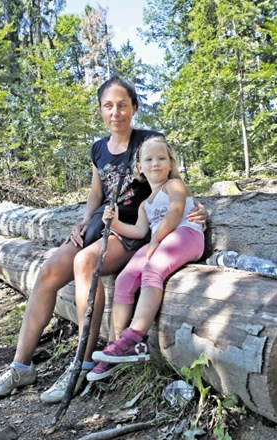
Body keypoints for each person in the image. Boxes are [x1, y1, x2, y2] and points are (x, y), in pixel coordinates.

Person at [0, 76, 207, 403]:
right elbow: (95, 193)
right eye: (108, 106)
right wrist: (84, 221)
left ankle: (81, 364)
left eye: (123, 105)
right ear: (101, 110)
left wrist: (199, 210)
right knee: (47, 273)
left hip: (130, 232)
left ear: (134, 108)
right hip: (99, 225)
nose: (116, 112)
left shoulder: (147, 142)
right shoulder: (98, 149)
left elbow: (172, 182)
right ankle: (21, 366)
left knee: (85, 263)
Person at [85, 136, 205, 381]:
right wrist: (115, 222)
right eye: (148, 159)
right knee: (124, 280)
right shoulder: (144, 204)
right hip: (161, 241)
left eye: (162, 158)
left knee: (152, 269)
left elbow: (175, 213)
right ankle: (116, 346)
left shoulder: (175, 185)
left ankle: (134, 337)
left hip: (185, 235)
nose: (156, 164)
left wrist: (156, 240)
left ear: (171, 164)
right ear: (139, 167)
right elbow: (140, 231)